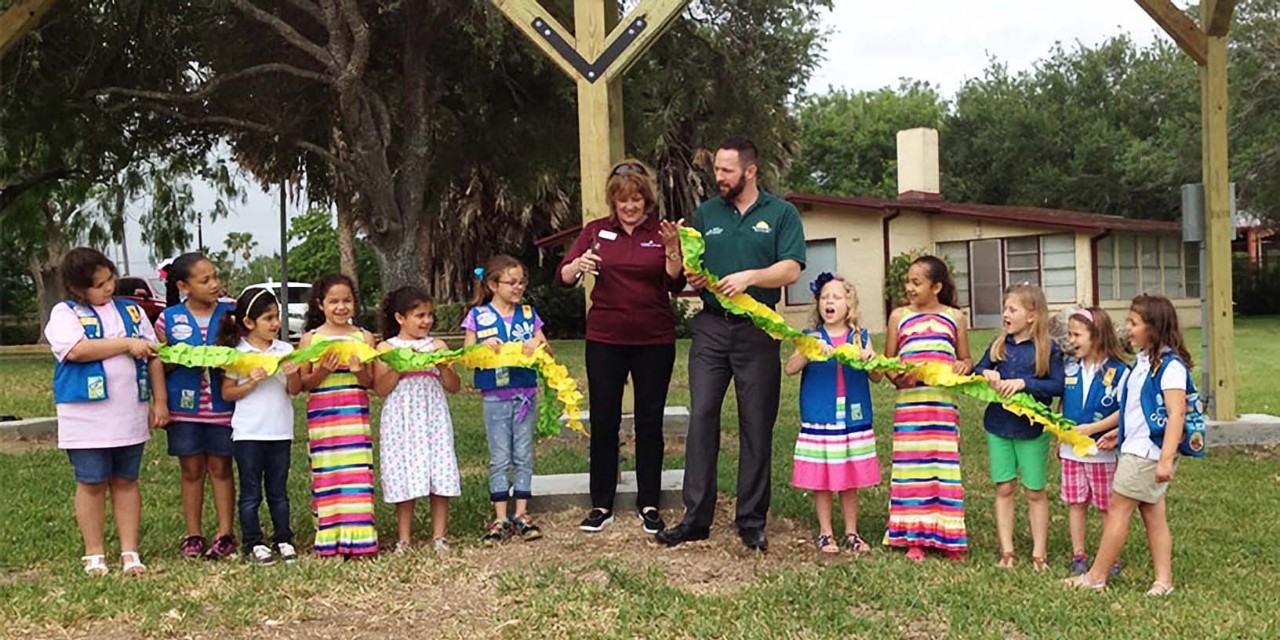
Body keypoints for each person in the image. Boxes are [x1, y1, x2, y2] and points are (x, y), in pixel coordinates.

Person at [656, 136, 806, 552]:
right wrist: (679, 258)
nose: (718, 177)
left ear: (750, 171)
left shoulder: (781, 214)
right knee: (702, 417)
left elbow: (791, 269)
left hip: (758, 329)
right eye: (717, 169)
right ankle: (695, 519)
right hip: (710, 329)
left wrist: (750, 277)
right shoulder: (707, 213)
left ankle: (751, 520)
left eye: (726, 170)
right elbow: (686, 272)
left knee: (756, 423)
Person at [556, 158, 684, 535]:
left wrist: (673, 250)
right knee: (604, 420)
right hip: (606, 339)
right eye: (623, 200)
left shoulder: (660, 232)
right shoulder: (596, 231)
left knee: (649, 421)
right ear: (613, 201)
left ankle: (649, 504)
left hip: (654, 340)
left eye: (636, 199)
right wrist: (578, 264)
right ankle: (601, 504)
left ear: (647, 200)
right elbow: (563, 276)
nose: (630, 206)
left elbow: (675, 283)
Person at [46, 248, 168, 575]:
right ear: (77, 289)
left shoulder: (132, 311)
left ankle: (130, 551)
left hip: (129, 411)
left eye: (110, 279)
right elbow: (76, 350)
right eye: (98, 285)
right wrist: (126, 344)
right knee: (92, 481)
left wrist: (160, 401)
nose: (109, 287)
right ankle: (94, 553)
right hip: (85, 415)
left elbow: (154, 355)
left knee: (127, 480)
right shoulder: (65, 313)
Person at [1066, 294, 1192, 596]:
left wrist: (1166, 459)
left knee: (1118, 509)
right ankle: (1163, 581)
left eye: (1134, 323)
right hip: (1135, 446)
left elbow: (1176, 413)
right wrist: (1116, 432)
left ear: (1154, 327)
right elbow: (1135, 409)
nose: (1128, 329)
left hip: (1146, 453)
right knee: (1153, 515)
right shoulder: (1145, 362)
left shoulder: (1170, 367)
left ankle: (1096, 577)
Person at [783, 273, 882, 554]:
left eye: (836, 297)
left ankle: (852, 532)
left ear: (849, 304)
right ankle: (826, 533)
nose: (829, 301)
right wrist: (809, 352)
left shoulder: (860, 337)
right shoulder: (810, 337)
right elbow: (790, 369)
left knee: (849, 478)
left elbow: (877, 377)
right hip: (821, 417)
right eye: (825, 297)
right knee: (822, 477)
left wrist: (870, 360)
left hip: (852, 418)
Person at [882, 256, 972, 562]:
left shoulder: (954, 317)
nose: (909, 287)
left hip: (942, 407)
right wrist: (898, 378)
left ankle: (948, 536)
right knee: (912, 469)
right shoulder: (899, 316)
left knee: (942, 468)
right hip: (911, 406)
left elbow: (965, 358)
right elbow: (889, 361)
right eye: (907, 281)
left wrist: (963, 366)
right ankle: (914, 537)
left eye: (916, 282)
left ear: (936, 287)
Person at [974, 284, 1065, 571]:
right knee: (1004, 487)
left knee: (1034, 490)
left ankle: (1039, 553)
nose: (1005, 314)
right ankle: (1007, 551)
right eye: (1005, 308)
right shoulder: (999, 345)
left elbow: (1058, 385)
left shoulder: (1048, 349)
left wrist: (1024, 384)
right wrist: (986, 374)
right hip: (998, 426)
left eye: (1012, 309)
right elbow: (977, 370)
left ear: (1032, 316)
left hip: (1032, 430)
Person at [463, 255, 549, 547]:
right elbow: (467, 357)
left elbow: (547, 350)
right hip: (495, 397)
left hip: (525, 394)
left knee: (523, 453)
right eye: (511, 282)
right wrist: (481, 346)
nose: (518, 287)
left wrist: (538, 344)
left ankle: (522, 513)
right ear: (492, 284)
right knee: (499, 456)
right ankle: (500, 517)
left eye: (522, 282)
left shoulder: (528, 314)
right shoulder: (478, 316)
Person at [157, 252, 238, 560]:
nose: (214, 284)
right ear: (183, 286)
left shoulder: (232, 313)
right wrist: (177, 358)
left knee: (221, 467)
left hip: (222, 407)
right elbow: (158, 364)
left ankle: (225, 533)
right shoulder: (168, 318)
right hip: (184, 409)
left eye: (215, 276)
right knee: (191, 470)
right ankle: (193, 534)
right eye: (205, 280)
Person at [373, 286, 462, 554]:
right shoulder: (386, 348)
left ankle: (439, 536)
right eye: (419, 316)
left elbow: (454, 386)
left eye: (429, 315)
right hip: (401, 417)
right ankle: (404, 539)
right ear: (400, 318)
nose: (426, 321)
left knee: (439, 469)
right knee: (404, 471)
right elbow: (380, 389)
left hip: (433, 415)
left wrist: (443, 366)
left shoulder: (438, 346)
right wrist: (400, 366)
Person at [297, 273, 379, 558]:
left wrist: (359, 371)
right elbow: (303, 384)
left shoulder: (364, 337)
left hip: (354, 417)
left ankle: (361, 538)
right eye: (334, 301)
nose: (341, 307)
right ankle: (329, 537)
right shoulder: (310, 340)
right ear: (321, 304)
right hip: (324, 419)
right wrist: (323, 371)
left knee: (356, 475)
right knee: (328, 474)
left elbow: (371, 382)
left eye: (347, 301)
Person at [218, 288, 302, 566]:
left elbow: (295, 390)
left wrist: (293, 375)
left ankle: (283, 538)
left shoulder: (285, 350)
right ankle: (253, 542)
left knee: (278, 491)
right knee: (251, 493)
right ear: (248, 322)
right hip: (249, 433)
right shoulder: (238, 354)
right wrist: (251, 382)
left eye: (277, 316)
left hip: (281, 431)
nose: (275, 323)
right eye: (268, 318)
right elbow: (227, 393)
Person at [1059, 307, 1129, 576]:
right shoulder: (1069, 367)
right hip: (1071, 451)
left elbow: (1123, 410)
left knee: (1106, 505)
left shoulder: (1119, 371)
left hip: (1102, 452)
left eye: (1077, 335)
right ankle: (1078, 554)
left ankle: (1111, 555)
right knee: (1076, 503)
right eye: (1069, 334)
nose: (1071, 340)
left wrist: (1094, 429)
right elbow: (1064, 403)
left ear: (1097, 336)